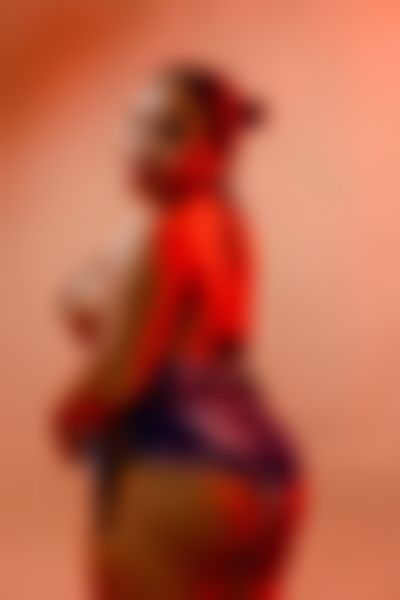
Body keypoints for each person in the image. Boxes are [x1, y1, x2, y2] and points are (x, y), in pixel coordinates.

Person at [54, 65, 304, 599]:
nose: (139, 144)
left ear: (216, 150)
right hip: (271, 468)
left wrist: (69, 417)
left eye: (167, 131)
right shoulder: (231, 225)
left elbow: (119, 374)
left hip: (177, 458)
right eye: (134, 123)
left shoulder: (165, 231)